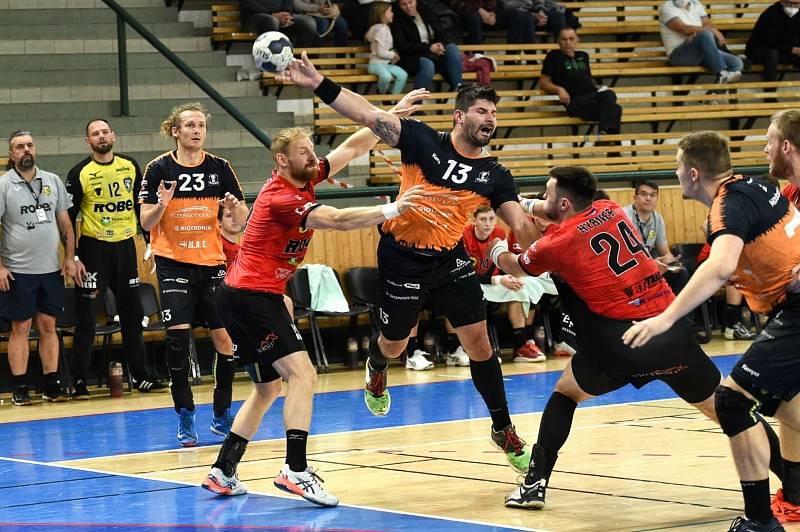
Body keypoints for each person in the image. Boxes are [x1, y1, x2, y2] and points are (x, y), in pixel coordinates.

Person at [282, 54, 541, 473]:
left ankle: (503, 428)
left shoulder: (495, 175)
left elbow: (521, 227)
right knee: (396, 343)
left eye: (493, 112)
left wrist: (545, 226)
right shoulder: (422, 141)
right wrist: (318, 83)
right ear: (460, 117)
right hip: (402, 257)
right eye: (481, 111)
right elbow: (367, 114)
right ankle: (378, 364)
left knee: (480, 344)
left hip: (449, 259)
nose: (489, 118)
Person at [489, 166, 783, 517]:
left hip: (623, 341)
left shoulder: (557, 244)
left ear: (564, 202)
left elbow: (518, 266)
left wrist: (494, 251)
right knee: (728, 410)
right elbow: (554, 210)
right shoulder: (610, 210)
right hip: (670, 332)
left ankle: (534, 483)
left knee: (566, 393)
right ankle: (794, 482)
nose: (544, 200)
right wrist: (524, 203)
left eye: (548, 194)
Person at [201, 93, 425, 506]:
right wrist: (392, 208)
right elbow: (337, 221)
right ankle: (296, 470)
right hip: (252, 297)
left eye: (311, 149)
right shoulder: (284, 197)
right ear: (282, 161)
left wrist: (389, 117)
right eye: (303, 152)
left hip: (240, 296)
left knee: (268, 387)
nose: (312, 156)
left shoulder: (303, 178)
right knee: (303, 375)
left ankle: (223, 470)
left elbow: (351, 147)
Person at [622, 129, 800, 531]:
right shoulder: (755, 187)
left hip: (795, 311)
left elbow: (718, 267)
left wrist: (665, 317)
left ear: (693, 173)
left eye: (678, 167)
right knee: (787, 400)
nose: (676, 174)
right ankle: (795, 494)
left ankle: (759, 522)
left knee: (733, 403)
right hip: (785, 308)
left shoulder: (727, 207)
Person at [139, 103, 248, 447]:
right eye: (189, 125)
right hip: (173, 262)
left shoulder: (220, 167)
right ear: (175, 130)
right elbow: (145, 222)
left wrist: (233, 209)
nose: (197, 130)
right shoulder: (158, 168)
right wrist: (162, 203)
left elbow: (238, 222)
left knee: (225, 341)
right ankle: (185, 416)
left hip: (211, 261)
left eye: (201, 125)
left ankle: (221, 413)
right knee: (177, 341)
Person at [65, 119, 167, 399]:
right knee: (87, 317)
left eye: (104, 132)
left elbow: (141, 207)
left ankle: (141, 375)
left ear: (114, 135)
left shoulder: (131, 166)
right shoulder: (79, 172)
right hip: (94, 250)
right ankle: (78, 381)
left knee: (132, 315)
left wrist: (150, 243)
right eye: (95, 134)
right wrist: (72, 256)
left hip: (125, 247)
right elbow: (68, 218)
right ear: (88, 141)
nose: (101, 136)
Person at [1, 131, 78, 405]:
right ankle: (20, 386)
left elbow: (66, 224)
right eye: (19, 147)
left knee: (48, 326)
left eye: (30, 145)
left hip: (50, 270)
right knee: (19, 327)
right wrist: (0, 267)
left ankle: (51, 382)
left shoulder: (52, 181)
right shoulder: (4, 185)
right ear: (11, 154)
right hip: (18, 270)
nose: (26, 150)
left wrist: (70, 258)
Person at [463, 205, 546, 362]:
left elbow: (501, 265)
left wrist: (507, 277)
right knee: (468, 294)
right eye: (483, 219)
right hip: (471, 282)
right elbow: (465, 272)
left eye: (491, 219)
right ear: (474, 221)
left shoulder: (499, 234)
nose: (488, 223)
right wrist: (497, 279)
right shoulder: (464, 236)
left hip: (492, 282)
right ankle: (478, 347)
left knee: (519, 287)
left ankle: (521, 346)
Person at [540, 28, 622, 142]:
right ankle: (609, 145)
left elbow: (586, 79)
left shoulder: (583, 56)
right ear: (558, 41)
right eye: (564, 39)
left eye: (571, 39)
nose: (568, 42)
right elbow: (543, 82)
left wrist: (597, 87)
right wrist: (559, 89)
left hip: (592, 97)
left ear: (577, 40)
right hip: (575, 101)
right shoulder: (553, 57)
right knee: (615, 109)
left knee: (610, 96)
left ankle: (604, 135)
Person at [622, 179, 688, 296]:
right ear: (635, 198)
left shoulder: (658, 218)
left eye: (652, 195)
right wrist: (652, 264)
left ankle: (677, 313)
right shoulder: (625, 216)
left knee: (681, 273)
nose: (648, 198)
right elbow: (625, 256)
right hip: (629, 269)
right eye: (643, 194)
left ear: (657, 198)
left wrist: (671, 262)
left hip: (648, 266)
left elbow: (664, 251)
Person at [659, 0, 743, 84]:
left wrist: (700, 32)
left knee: (736, 63)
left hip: (700, 51)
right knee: (705, 34)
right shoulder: (666, 7)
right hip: (678, 55)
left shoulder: (696, 3)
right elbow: (683, 28)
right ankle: (720, 72)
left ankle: (716, 92)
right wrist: (712, 31)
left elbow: (707, 23)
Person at [391, 0, 464, 91]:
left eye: (411, 2)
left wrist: (440, 44)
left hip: (432, 54)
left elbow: (440, 33)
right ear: (398, 5)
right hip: (410, 57)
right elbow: (401, 45)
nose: (408, 7)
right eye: (404, 4)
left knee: (451, 47)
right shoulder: (397, 19)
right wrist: (428, 47)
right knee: (428, 65)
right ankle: (416, 101)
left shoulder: (426, 11)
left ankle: (459, 88)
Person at [745, 0, 800, 82]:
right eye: (789, 3)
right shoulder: (771, 13)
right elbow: (769, 41)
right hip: (761, 50)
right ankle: (770, 90)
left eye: (796, 4)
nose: (792, 7)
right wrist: (792, 49)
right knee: (772, 54)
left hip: (786, 52)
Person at [365, 3, 409, 95]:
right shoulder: (380, 29)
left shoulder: (385, 28)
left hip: (385, 64)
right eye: (390, 11)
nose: (392, 13)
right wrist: (393, 55)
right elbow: (379, 52)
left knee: (402, 74)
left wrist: (392, 56)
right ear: (382, 14)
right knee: (386, 77)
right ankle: (381, 94)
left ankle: (393, 99)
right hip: (375, 64)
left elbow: (386, 48)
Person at [451, 0, 536, 45]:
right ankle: (479, 56)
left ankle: (511, 59)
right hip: (463, 14)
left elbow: (491, 3)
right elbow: (454, 3)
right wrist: (479, 10)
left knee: (518, 16)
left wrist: (492, 13)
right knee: (474, 16)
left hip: (486, 14)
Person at [239, 0, 318, 48]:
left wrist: (286, 13)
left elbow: (288, 2)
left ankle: (295, 60)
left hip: (279, 15)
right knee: (272, 21)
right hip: (254, 19)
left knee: (309, 23)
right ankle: (273, 61)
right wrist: (272, 14)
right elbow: (248, 4)